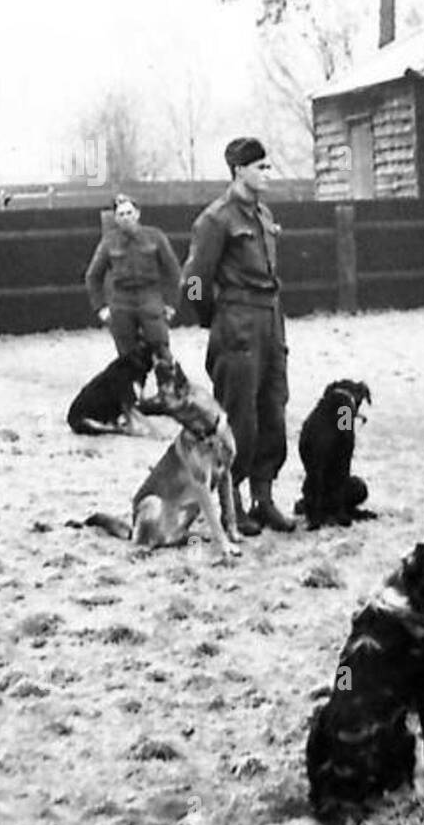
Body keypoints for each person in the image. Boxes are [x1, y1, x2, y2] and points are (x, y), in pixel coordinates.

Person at [180, 138, 295, 536]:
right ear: (238, 171)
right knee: (239, 420)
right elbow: (193, 280)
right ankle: (235, 501)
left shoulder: (263, 213)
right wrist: (213, 318)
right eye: (260, 167)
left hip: (269, 319)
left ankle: (264, 497)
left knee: (274, 412)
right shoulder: (216, 219)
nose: (267, 173)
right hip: (237, 324)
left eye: (268, 166)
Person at [84, 192, 180, 364]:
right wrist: (101, 308)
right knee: (127, 355)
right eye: (121, 214)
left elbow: (173, 271)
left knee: (161, 348)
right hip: (121, 302)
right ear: (115, 218)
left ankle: (168, 388)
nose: (126, 218)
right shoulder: (109, 242)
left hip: (150, 298)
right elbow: (93, 276)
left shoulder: (155, 237)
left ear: (138, 214)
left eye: (129, 213)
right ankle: (134, 391)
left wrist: (171, 304)